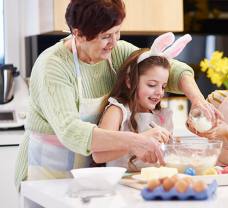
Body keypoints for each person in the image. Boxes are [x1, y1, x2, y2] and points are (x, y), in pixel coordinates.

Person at [15, 0, 219, 191]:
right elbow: (70, 131)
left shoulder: (115, 53)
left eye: (117, 32)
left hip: (88, 175)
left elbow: (166, 67)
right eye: (106, 36)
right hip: (47, 174)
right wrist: (135, 141)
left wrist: (198, 100)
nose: (114, 43)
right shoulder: (53, 66)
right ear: (78, 34)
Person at [93, 48, 174, 171]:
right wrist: (138, 141)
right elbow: (98, 154)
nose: (159, 92)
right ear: (130, 81)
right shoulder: (118, 111)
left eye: (163, 86)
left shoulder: (162, 115)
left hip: (151, 185)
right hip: (120, 186)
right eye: (152, 85)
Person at [187, 90, 228, 165]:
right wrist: (194, 120)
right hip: (214, 165)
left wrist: (225, 131)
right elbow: (190, 123)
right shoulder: (217, 98)